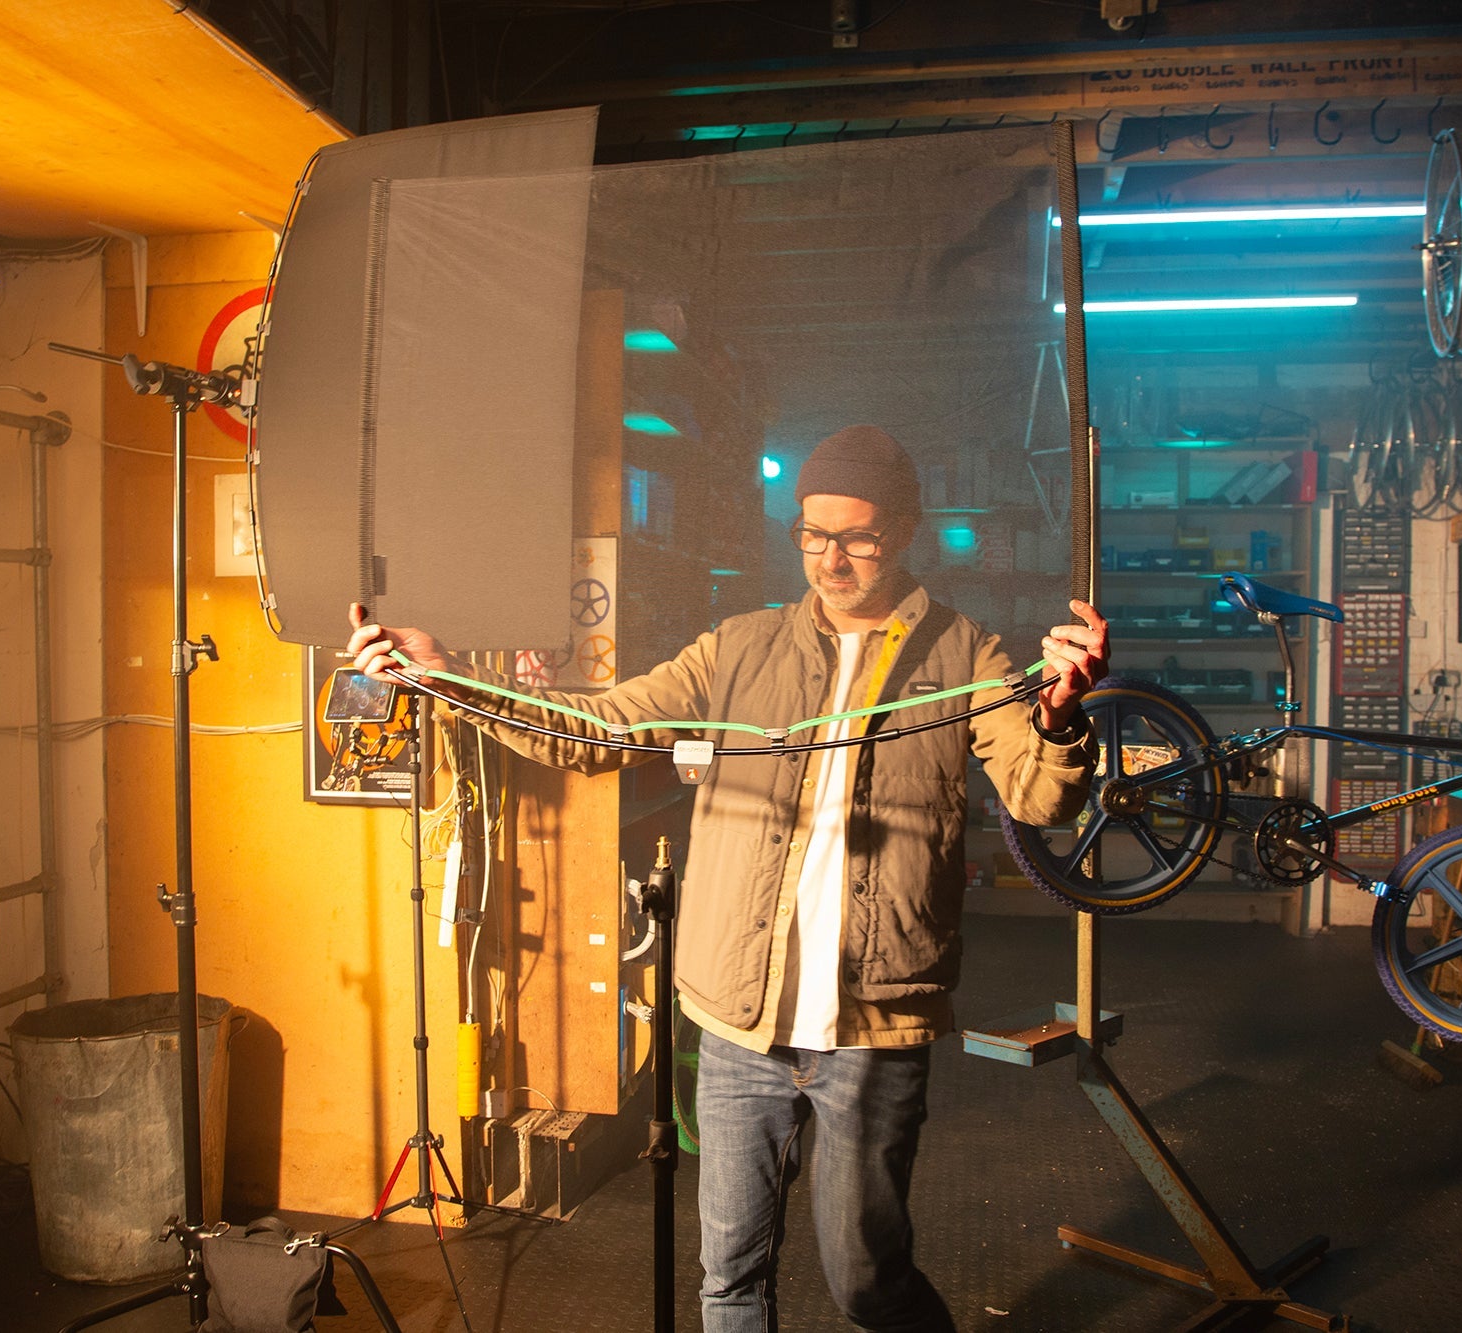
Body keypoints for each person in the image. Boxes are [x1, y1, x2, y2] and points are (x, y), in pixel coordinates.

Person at [349, 424, 1108, 1333]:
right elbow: (593, 729)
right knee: (729, 1279)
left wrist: (1061, 715)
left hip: (873, 1022)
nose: (830, 559)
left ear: (901, 529)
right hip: (737, 1023)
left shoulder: (967, 659)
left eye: (856, 537)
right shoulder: (740, 649)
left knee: (866, 1277)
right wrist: (446, 679)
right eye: (811, 534)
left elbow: (1038, 795)